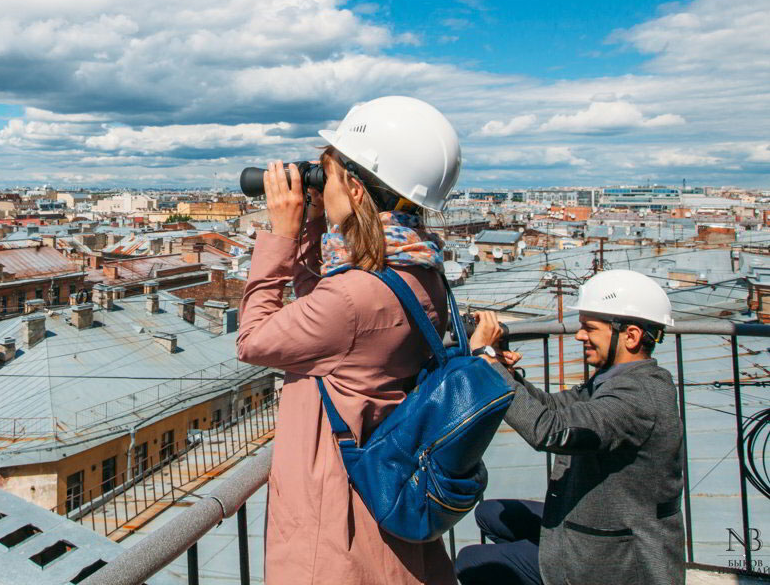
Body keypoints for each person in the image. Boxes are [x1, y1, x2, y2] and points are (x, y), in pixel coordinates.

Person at [237, 96, 463, 585]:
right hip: (385, 488)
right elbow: (325, 321)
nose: (321, 182)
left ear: (356, 189)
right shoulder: (419, 270)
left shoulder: (353, 295)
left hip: (337, 516)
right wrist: (315, 222)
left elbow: (254, 341)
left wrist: (281, 235)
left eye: (328, 172)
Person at [455, 269, 685, 585]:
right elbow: (553, 407)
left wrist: (485, 360)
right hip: (599, 526)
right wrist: (502, 369)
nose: (579, 336)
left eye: (590, 328)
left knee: (472, 561)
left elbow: (552, 430)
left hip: (617, 561)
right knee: (490, 515)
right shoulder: (617, 381)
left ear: (630, 336)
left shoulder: (637, 396)